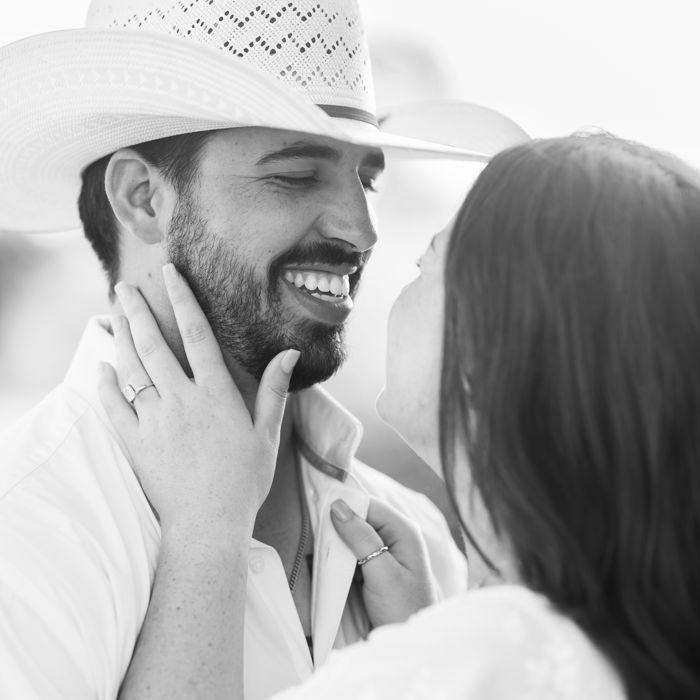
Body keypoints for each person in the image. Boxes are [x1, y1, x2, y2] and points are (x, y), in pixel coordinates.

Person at [0, 1, 530, 698]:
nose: (361, 229)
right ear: (142, 199)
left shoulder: (415, 545)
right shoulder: (29, 527)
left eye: (367, 179)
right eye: (296, 176)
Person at [101, 134, 700, 699]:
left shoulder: (482, 659)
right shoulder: (596, 641)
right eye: (296, 176)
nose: (364, 234)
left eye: (427, 262)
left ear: (498, 343)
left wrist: (205, 531)